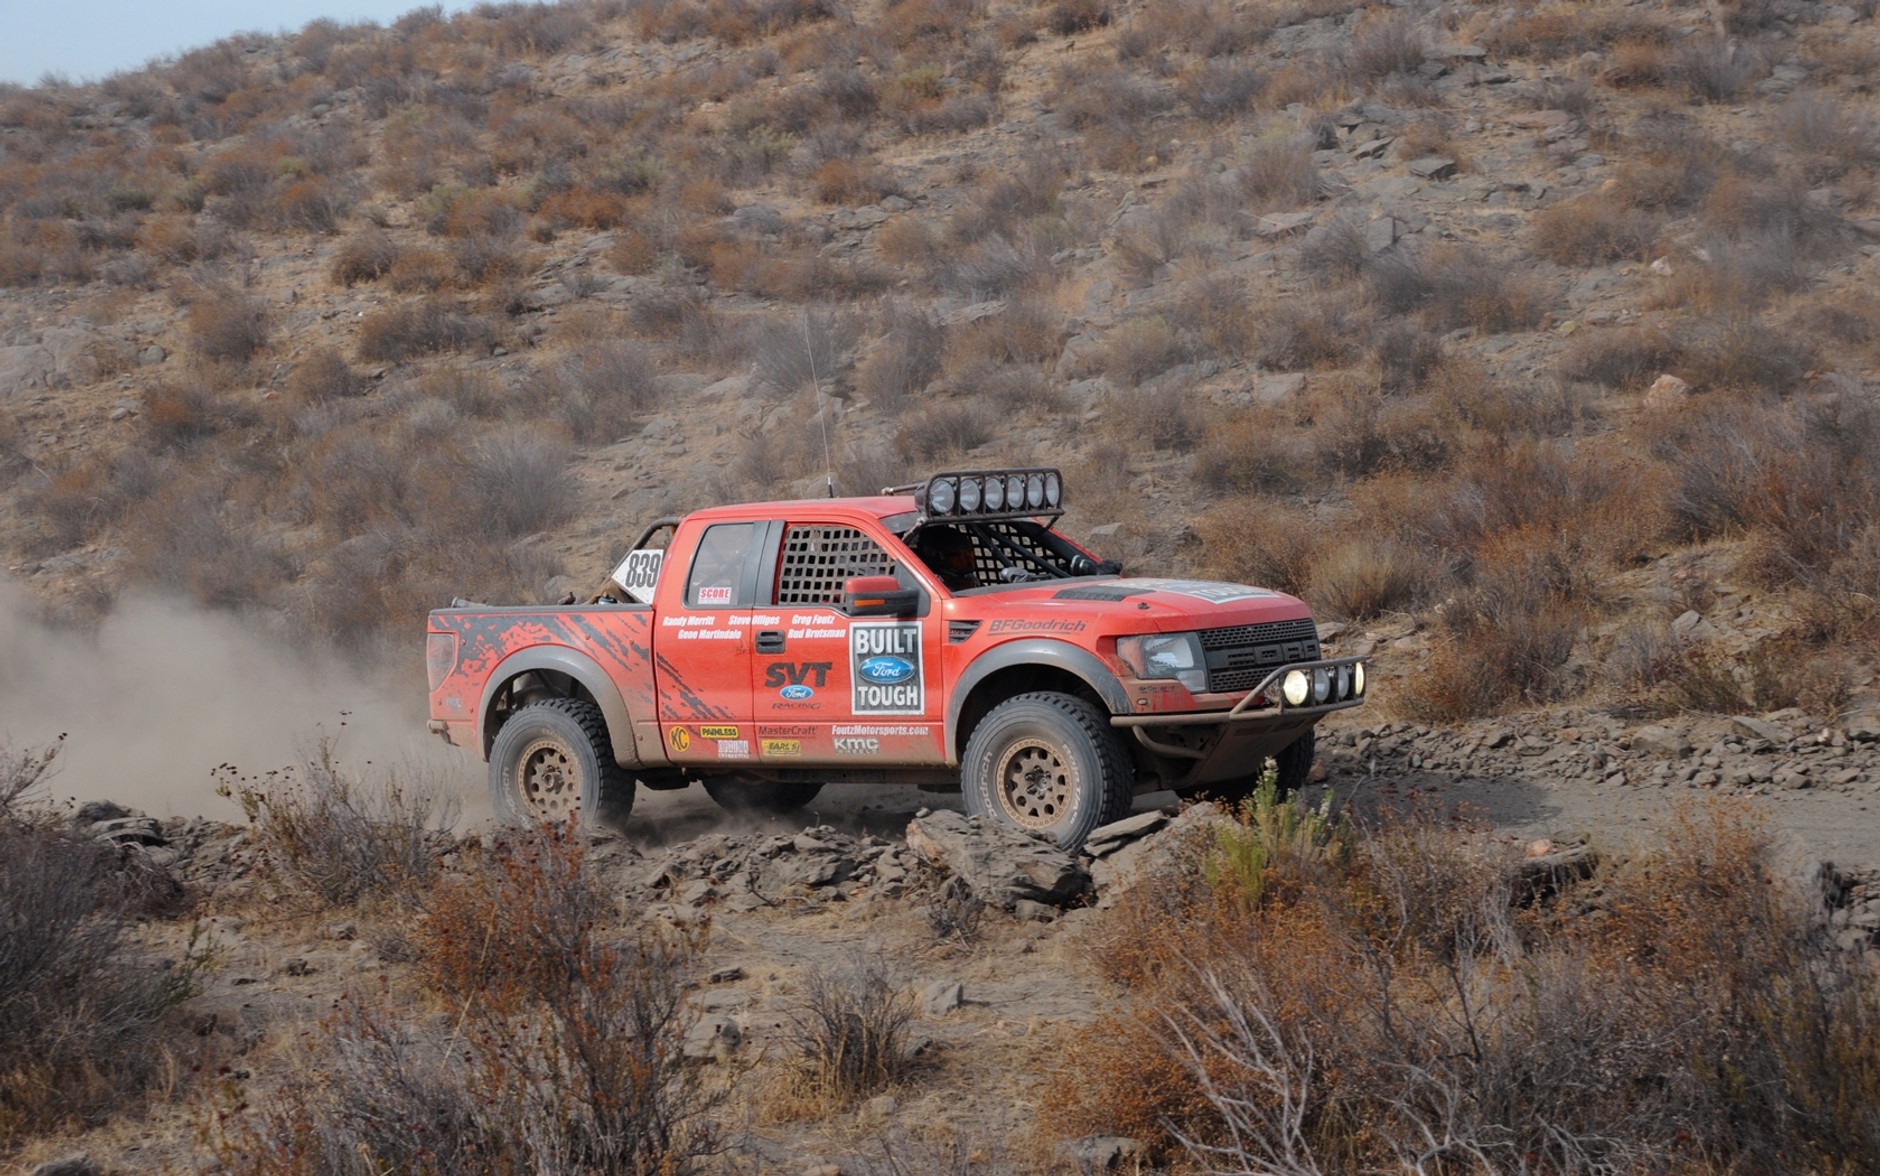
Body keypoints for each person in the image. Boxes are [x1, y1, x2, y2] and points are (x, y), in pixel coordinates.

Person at [913, 525, 979, 591]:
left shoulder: (969, 578)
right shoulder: (933, 585)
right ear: (941, 556)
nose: (968, 559)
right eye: (959, 555)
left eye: (969, 553)